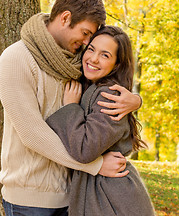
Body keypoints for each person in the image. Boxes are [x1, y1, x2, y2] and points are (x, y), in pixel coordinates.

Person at [0, 0, 142, 216]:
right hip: (30, 200)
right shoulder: (16, 58)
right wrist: (95, 166)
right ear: (66, 18)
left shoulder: (77, 60)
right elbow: (32, 134)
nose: (87, 43)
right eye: (86, 33)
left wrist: (136, 100)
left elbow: (107, 82)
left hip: (74, 197)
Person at [46, 25, 155, 216]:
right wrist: (137, 100)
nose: (94, 59)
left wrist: (70, 108)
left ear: (117, 64)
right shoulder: (91, 86)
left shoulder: (109, 95)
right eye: (91, 49)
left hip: (112, 198)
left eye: (105, 55)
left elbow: (85, 149)